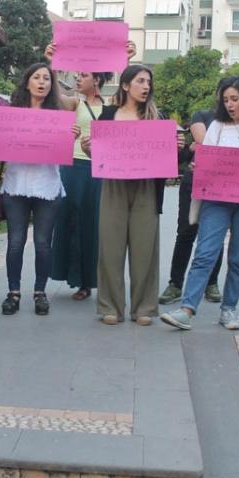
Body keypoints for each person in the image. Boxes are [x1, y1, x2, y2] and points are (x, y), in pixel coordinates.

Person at [160, 76, 239, 331]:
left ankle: (229, 309)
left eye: (235, 99)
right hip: (216, 200)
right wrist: (198, 166)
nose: (230, 104)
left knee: (238, 258)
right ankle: (187, 309)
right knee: (205, 252)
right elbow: (208, 161)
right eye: (226, 100)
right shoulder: (217, 128)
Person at [80, 65, 184, 325]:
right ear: (125, 86)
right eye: (140, 81)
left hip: (147, 188)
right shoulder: (107, 115)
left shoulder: (157, 118)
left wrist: (178, 148)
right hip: (113, 186)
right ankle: (109, 306)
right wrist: (88, 148)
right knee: (110, 247)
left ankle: (144, 308)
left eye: (148, 82)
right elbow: (99, 156)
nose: (146, 86)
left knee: (144, 248)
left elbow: (170, 158)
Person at [44, 41, 135, 301]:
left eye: (83, 75)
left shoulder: (112, 106)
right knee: (69, 221)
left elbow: (128, 91)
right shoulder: (75, 104)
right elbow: (54, 95)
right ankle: (74, 278)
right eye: (77, 75)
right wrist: (51, 63)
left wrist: (126, 58)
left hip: (99, 171)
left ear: (96, 80)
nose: (77, 78)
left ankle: (88, 281)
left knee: (93, 224)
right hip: (71, 167)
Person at [0, 63, 78, 316]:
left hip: (47, 185)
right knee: (15, 242)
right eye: (36, 77)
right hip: (16, 184)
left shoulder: (59, 115)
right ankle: (13, 293)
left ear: (52, 85)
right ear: (27, 82)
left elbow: (65, 144)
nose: (41, 82)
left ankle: (40, 292)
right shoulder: (11, 113)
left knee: (42, 243)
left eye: (46, 78)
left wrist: (71, 136)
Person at [158, 108, 224, 306]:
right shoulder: (202, 115)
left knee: (215, 235)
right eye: (226, 96)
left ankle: (211, 283)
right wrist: (189, 149)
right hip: (194, 181)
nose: (229, 101)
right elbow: (199, 144)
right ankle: (175, 284)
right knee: (185, 232)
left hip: (222, 184)